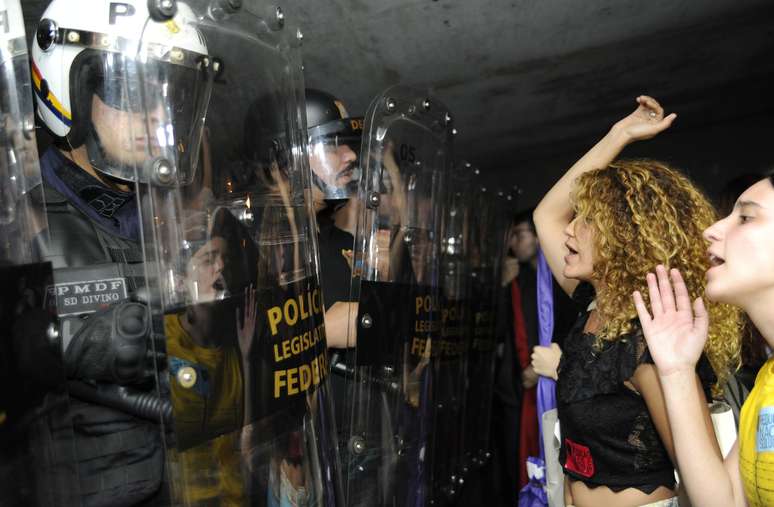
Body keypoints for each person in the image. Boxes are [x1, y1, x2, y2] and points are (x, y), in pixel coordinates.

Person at [533, 95, 741, 507]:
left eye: (587, 220)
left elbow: (701, 477)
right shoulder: (595, 305)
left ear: (622, 239)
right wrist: (620, 134)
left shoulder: (648, 340)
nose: (569, 230)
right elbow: (547, 215)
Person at [631, 172, 774, 507]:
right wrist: (677, 371)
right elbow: (724, 501)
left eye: (745, 217)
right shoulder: (767, 383)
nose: (711, 230)